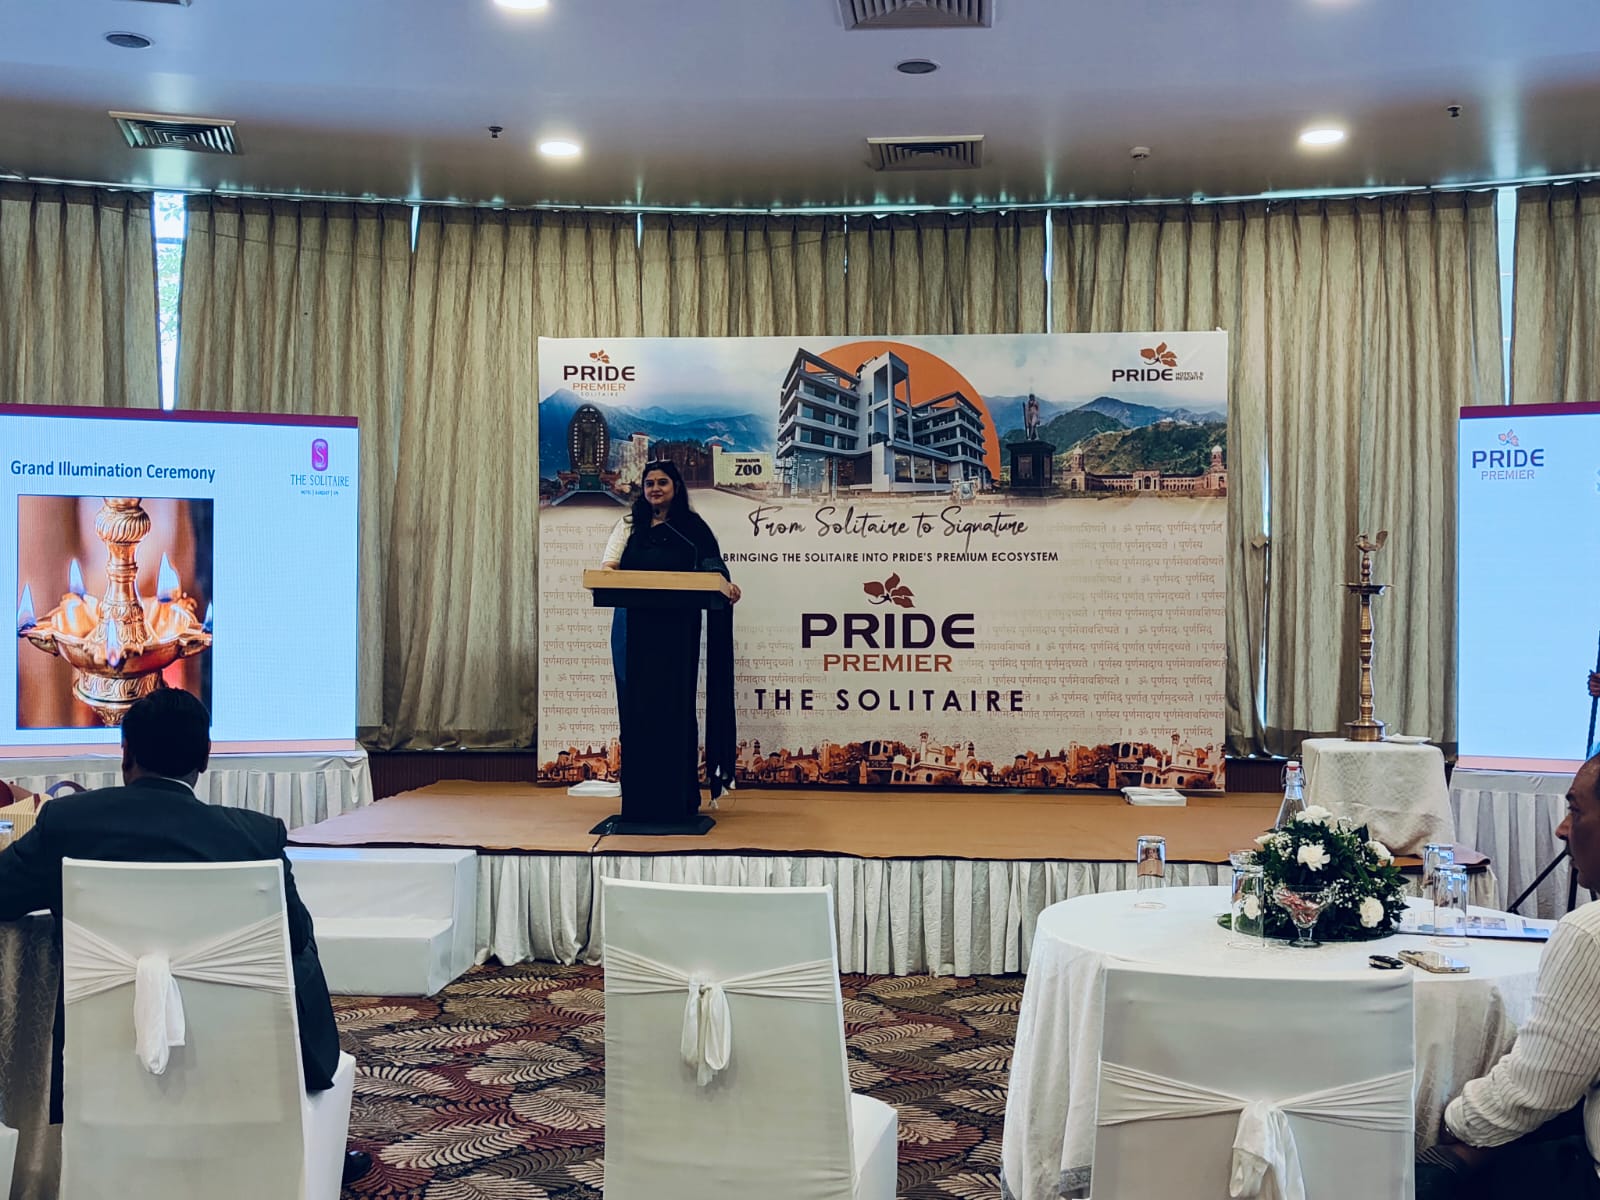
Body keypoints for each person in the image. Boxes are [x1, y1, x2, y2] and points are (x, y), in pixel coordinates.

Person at [0, 687, 370, 1185]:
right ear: (205, 758)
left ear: (125, 754)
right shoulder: (252, 837)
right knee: (301, 946)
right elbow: (296, 937)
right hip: (237, 1056)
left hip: (103, 1056)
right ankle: (308, 1126)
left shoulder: (67, 824)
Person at [1416, 752, 1600, 1198]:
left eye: (1575, 810)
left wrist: (1447, 1124)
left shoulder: (1589, 934)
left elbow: (1531, 1094)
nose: (1562, 829)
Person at [600, 459, 741, 821]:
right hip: (632, 628)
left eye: (662, 482)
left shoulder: (692, 527)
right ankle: (639, 803)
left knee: (674, 710)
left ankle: (678, 800)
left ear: (676, 487)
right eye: (649, 483)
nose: (655, 489)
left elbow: (712, 565)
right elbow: (609, 567)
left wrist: (726, 583)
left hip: (677, 631)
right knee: (636, 710)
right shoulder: (628, 524)